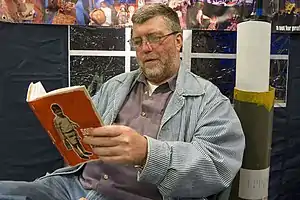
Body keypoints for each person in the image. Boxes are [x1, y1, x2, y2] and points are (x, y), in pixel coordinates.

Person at [0, 3, 245, 200]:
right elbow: (86, 132)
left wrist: (148, 154)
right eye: (138, 41)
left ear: (178, 41)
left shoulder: (208, 100)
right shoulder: (115, 86)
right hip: (73, 185)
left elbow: (218, 165)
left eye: (155, 38)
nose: (146, 48)